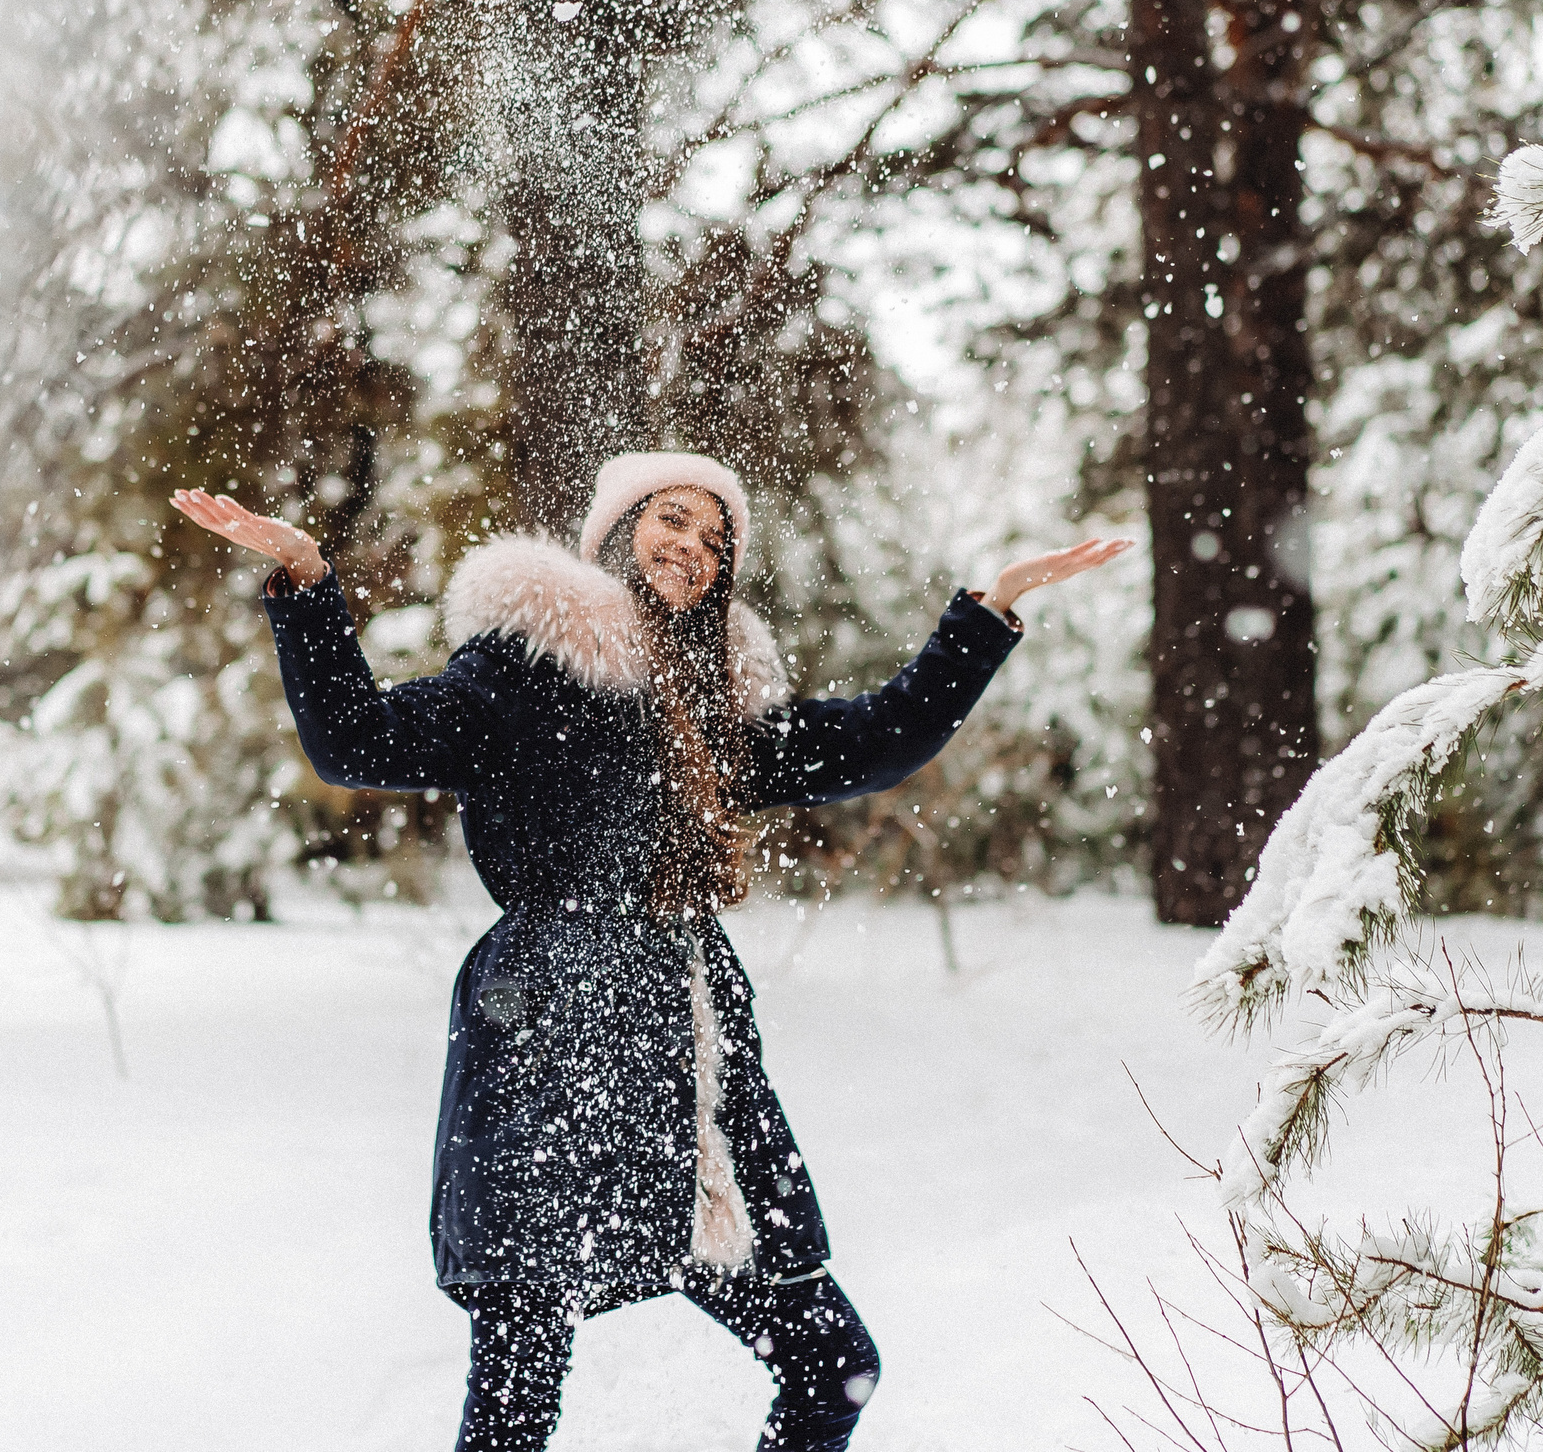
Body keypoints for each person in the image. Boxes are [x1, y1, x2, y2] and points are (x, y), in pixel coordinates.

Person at [172, 452, 1129, 1452]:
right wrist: (307, 585)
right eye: (671, 520)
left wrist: (988, 610)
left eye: (718, 541)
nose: (695, 549)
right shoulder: (522, 669)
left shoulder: (716, 714)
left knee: (831, 1367)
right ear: (618, 531)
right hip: (550, 1040)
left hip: (691, 1051)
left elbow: (879, 739)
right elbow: (355, 743)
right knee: (516, 1388)